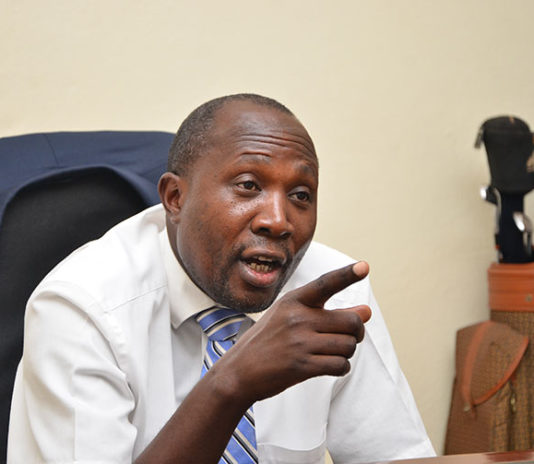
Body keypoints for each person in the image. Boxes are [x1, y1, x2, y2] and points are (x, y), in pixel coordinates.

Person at [8, 94, 435, 463]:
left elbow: (394, 454)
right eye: (249, 186)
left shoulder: (332, 293)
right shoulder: (83, 308)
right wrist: (231, 384)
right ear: (175, 198)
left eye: (300, 195)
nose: (278, 220)